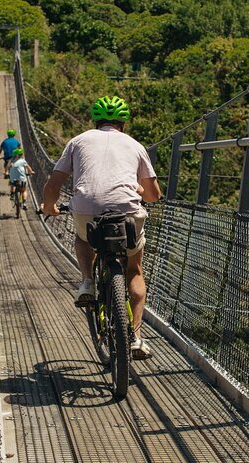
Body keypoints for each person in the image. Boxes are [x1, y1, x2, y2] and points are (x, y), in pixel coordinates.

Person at [42, 95, 162, 359]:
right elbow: (154, 195)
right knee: (134, 270)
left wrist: (49, 206)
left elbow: (53, 184)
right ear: (124, 124)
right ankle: (137, 337)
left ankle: (87, 282)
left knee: (83, 239)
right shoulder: (135, 145)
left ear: (94, 121)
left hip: (86, 209)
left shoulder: (78, 141)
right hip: (128, 212)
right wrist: (139, 189)